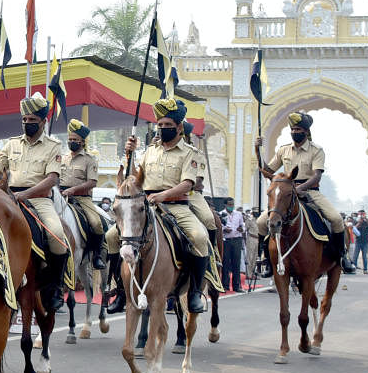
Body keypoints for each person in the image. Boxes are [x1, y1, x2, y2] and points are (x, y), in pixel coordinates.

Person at [104, 98, 210, 313]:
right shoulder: (150, 151)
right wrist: (129, 155)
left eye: (168, 126)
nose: (162, 130)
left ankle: (195, 292)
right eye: (160, 126)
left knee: (199, 236)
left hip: (176, 206)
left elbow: (188, 184)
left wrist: (162, 196)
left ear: (179, 127)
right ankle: (121, 289)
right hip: (146, 207)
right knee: (111, 237)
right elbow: (135, 179)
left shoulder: (190, 152)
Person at [0, 94, 69, 312]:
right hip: (9, 199)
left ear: (43, 121)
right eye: (25, 120)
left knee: (57, 236)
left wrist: (25, 195)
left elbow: (52, 179)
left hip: (39, 200)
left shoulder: (53, 146)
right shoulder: (11, 144)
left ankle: (56, 287)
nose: (27, 124)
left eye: (32, 120)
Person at [254, 112, 356, 273]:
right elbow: (267, 170)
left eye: (299, 129)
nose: (295, 132)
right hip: (287, 193)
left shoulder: (316, 150)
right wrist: (257, 149)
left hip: (310, 191)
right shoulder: (284, 150)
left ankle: (342, 256)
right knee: (261, 222)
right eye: (293, 129)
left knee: (336, 220)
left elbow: (317, 176)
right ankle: (266, 258)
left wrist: (299, 189)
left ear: (306, 132)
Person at [58, 119, 109, 269]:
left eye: (75, 140)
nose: (72, 142)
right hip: (61, 195)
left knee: (96, 223)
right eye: (70, 139)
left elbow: (92, 182)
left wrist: (73, 190)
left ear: (82, 142)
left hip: (81, 198)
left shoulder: (89, 160)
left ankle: (97, 256)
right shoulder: (63, 158)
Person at [219, 197, 246, 292]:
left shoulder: (238, 214)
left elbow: (243, 226)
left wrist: (241, 229)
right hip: (226, 240)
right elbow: (219, 227)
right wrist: (224, 229)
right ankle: (225, 285)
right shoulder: (221, 214)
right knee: (225, 263)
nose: (231, 206)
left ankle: (236, 286)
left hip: (237, 240)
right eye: (229, 204)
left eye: (232, 204)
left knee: (236, 263)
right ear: (225, 205)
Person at [245, 206, 261, 282]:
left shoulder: (260, 220)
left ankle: (253, 273)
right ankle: (248, 274)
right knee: (250, 257)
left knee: (255, 257)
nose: (257, 213)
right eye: (255, 212)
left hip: (258, 239)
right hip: (251, 238)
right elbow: (246, 229)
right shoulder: (249, 219)